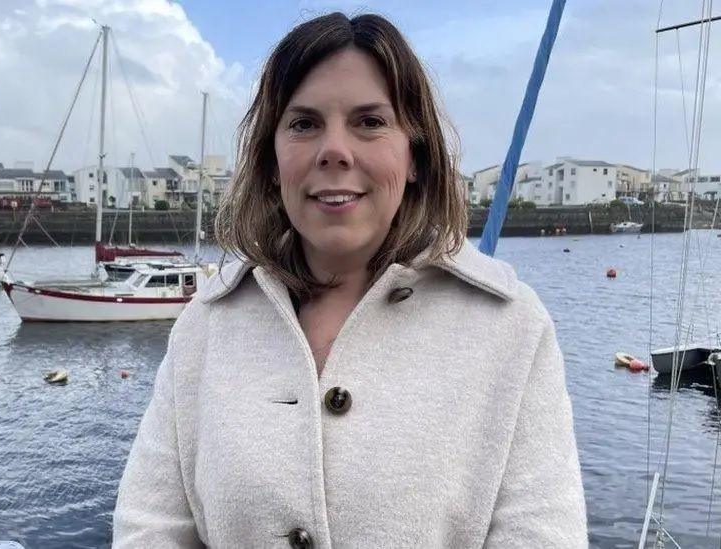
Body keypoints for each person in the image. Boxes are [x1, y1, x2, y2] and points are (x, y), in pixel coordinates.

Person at [114, 12, 586, 548]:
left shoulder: (511, 328)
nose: (334, 150)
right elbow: (151, 528)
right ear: (271, 159)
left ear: (415, 154)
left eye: (369, 122)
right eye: (304, 123)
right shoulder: (207, 323)